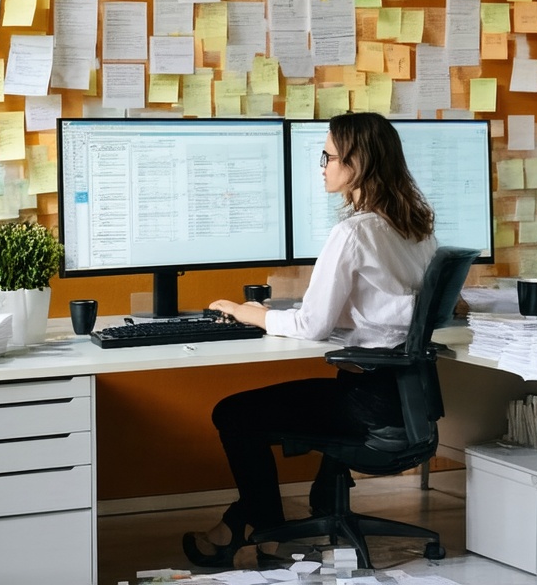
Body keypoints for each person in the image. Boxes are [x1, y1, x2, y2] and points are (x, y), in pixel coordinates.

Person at [182, 111, 438, 569]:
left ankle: (267, 532)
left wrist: (253, 314)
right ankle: (241, 525)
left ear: (356, 163)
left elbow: (311, 327)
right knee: (297, 400)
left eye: (328, 156)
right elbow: (394, 310)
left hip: (368, 406)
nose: (322, 165)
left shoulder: (354, 232)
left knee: (233, 414)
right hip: (409, 405)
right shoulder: (416, 228)